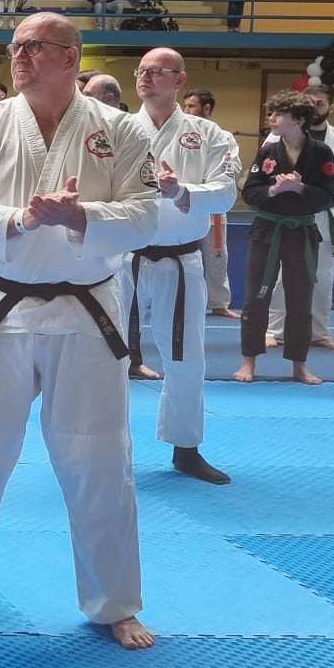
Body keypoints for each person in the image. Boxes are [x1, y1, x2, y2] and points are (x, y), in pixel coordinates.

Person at [0, 11, 161, 651]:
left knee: (99, 456)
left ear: (71, 56)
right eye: (15, 46)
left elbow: (144, 217)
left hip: (86, 310)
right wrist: (19, 221)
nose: (19, 56)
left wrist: (83, 216)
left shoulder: (121, 130)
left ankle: (114, 602)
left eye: (34, 46)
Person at [126, 49, 240, 484]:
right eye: (141, 71)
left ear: (179, 79)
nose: (145, 77)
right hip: (124, 259)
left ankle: (186, 449)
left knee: (186, 357)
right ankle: (104, 449)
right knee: (106, 355)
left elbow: (225, 192)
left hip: (181, 258)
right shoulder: (116, 129)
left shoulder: (210, 134)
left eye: (156, 71)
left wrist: (180, 191)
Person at [234, 90, 334, 387]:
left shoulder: (321, 153)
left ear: (298, 120)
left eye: (278, 114)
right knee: (256, 297)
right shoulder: (267, 152)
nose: (271, 118)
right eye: (272, 113)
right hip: (267, 229)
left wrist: (300, 188)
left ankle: (299, 365)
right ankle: (248, 360)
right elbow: (249, 192)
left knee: (300, 299)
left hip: (301, 231)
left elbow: (327, 197)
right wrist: (274, 190)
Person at [268, 86, 334, 353]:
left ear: (331, 107)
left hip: (322, 214)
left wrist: (313, 197)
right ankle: (273, 330)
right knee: (282, 275)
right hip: (287, 214)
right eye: (310, 103)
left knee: (323, 277)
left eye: (320, 103)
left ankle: (318, 332)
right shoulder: (275, 138)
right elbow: (269, 177)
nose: (314, 108)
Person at [181, 89, 241, 318]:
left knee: (217, 255)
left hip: (212, 203)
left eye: (191, 106)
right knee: (181, 253)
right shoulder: (179, 133)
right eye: (185, 105)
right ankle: (181, 301)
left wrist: (215, 180)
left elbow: (231, 166)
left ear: (207, 108)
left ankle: (219, 302)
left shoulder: (223, 137)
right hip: (184, 201)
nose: (186, 110)